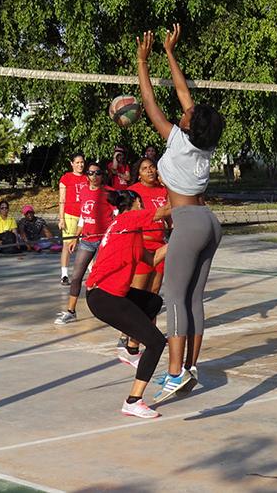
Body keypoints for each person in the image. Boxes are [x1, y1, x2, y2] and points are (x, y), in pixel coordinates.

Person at [137, 23, 224, 402]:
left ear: (189, 127)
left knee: (174, 296)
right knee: (193, 299)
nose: (185, 111)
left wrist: (143, 61)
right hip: (209, 221)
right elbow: (185, 95)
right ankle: (189, 368)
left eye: (189, 115)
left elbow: (150, 102)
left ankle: (174, 374)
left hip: (188, 222)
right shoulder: (201, 143)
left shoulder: (177, 137)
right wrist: (170, 53)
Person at [85, 190, 170, 418]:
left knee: (153, 301)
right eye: (141, 203)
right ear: (134, 204)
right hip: (104, 297)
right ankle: (133, 400)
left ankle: (131, 349)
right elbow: (163, 211)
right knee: (156, 342)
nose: (144, 206)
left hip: (108, 295)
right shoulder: (127, 219)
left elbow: (152, 259)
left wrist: (178, 239)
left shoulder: (127, 230)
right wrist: (188, 198)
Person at [55, 163, 115, 325]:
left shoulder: (109, 192)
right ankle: (70, 311)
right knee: (77, 276)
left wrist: (113, 235)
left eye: (97, 173)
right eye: (91, 173)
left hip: (104, 240)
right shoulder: (84, 191)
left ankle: (111, 310)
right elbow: (83, 215)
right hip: (87, 240)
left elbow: (118, 215)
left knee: (104, 276)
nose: (94, 176)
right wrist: (76, 236)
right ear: (87, 175)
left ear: (102, 175)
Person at [129, 157, 171, 294]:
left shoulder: (164, 190)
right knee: (138, 291)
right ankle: (134, 316)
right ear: (139, 174)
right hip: (142, 245)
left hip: (159, 246)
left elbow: (170, 216)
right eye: (144, 169)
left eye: (152, 167)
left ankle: (151, 316)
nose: (149, 171)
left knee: (154, 291)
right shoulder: (132, 192)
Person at [58, 153, 88, 285]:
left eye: (82, 162)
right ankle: (64, 274)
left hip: (85, 215)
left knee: (88, 245)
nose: (80, 165)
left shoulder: (88, 178)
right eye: (77, 162)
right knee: (67, 245)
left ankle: (92, 272)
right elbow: (62, 199)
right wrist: (61, 218)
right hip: (70, 215)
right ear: (72, 164)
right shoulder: (66, 178)